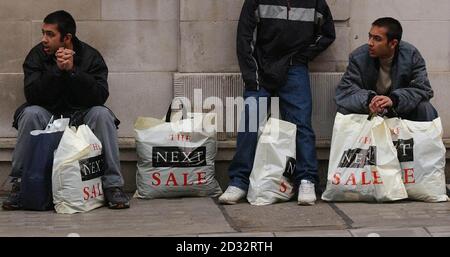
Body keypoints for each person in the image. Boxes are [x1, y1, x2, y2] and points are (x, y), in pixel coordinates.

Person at [2, 10, 130, 210]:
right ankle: (19, 184)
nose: (44, 39)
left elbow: (99, 96)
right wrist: (56, 70)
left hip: (81, 115)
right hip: (49, 115)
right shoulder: (37, 55)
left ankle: (113, 185)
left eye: (50, 34)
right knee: (30, 113)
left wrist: (73, 72)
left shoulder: (90, 56)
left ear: (67, 38)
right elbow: (32, 95)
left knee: (103, 114)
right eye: (43, 33)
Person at [219, 0, 336, 205]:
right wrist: (252, 77)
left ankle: (306, 179)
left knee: (301, 123)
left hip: (294, 67)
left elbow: (327, 33)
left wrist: (302, 57)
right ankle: (239, 181)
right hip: (261, 66)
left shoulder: (314, 2)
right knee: (250, 121)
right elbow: (244, 41)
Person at [335, 17, 438, 121]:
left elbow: (423, 89)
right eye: (370, 36)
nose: (370, 43)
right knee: (344, 111)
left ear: (393, 43)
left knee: (425, 108)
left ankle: (425, 138)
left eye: (377, 39)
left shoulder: (411, 55)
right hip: (369, 112)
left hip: (400, 110)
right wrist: (370, 100)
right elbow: (345, 91)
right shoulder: (358, 57)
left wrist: (394, 100)